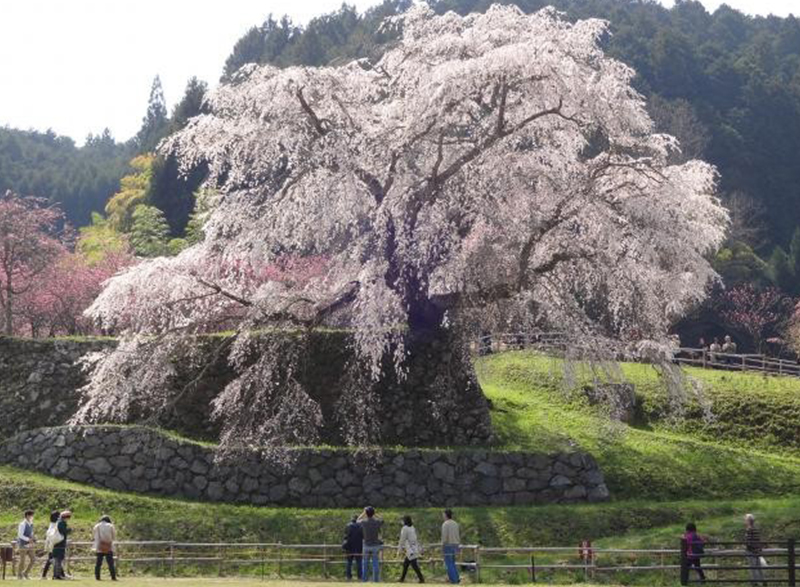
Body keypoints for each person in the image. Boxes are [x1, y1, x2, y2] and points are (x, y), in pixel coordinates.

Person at [357, 506, 383, 582]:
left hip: (366, 545)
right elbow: (382, 520)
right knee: (375, 563)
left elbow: (357, 520)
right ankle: (376, 580)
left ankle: (364, 580)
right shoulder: (377, 522)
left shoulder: (364, 522)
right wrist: (375, 514)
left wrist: (363, 513)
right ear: (373, 513)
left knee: (365, 564)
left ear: (367, 514)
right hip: (375, 545)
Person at [398, 516, 425, 583]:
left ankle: (421, 579)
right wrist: (419, 548)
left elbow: (402, 539)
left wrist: (399, 549)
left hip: (410, 549)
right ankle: (402, 579)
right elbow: (416, 538)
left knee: (414, 565)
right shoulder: (412, 528)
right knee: (406, 564)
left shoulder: (405, 528)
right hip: (414, 547)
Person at [744, 514, 766, 587]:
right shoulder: (756, 529)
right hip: (757, 550)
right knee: (758, 567)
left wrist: (746, 546)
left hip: (751, 551)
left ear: (749, 521)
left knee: (753, 567)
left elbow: (749, 542)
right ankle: (763, 581)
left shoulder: (749, 529)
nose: (744, 521)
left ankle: (755, 583)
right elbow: (758, 540)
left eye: (745, 520)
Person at [93, 515, 118, 581]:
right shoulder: (111, 526)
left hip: (99, 546)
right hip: (108, 545)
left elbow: (95, 536)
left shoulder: (97, 526)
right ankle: (113, 577)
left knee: (98, 563)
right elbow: (114, 536)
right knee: (110, 563)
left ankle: (97, 577)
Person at [441, 509, 460, 584]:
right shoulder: (455, 523)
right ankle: (456, 578)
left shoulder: (445, 524)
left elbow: (444, 537)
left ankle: (454, 580)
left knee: (448, 563)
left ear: (446, 515)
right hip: (455, 544)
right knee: (452, 562)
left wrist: (442, 545)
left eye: (443, 514)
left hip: (448, 544)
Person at [16, 509, 36, 580]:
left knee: (33, 559)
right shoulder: (22, 524)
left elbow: (31, 532)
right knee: (22, 560)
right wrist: (28, 539)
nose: (32, 517)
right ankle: (19, 575)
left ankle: (25, 573)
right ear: (27, 516)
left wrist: (33, 537)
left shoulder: (31, 523)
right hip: (23, 544)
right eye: (31, 515)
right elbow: (20, 535)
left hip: (30, 545)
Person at [52, 510, 72, 580]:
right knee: (58, 560)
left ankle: (56, 575)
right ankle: (57, 575)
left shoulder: (58, 522)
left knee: (57, 560)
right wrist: (69, 530)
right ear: (66, 517)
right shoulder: (61, 523)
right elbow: (63, 531)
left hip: (57, 543)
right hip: (60, 543)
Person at [343, 514, 364, 581]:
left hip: (349, 547)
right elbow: (363, 536)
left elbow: (345, 536)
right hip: (358, 546)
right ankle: (359, 576)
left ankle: (348, 576)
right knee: (359, 562)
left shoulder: (348, 525)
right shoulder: (360, 526)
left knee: (349, 562)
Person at [41, 510, 61, 579]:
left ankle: (44, 575)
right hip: (52, 545)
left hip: (51, 545)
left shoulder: (52, 524)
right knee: (53, 560)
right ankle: (57, 575)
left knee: (51, 560)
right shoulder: (54, 525)